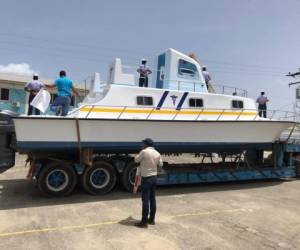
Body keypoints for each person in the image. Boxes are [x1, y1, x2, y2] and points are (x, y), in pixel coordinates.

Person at [133, 138, 163, 228]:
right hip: (154, 178)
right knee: (152, 199)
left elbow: (136, 160)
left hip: (146, 178)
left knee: (145, 200)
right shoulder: (157, 153)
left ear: (146, 144)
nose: (142, 145)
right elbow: (161, 165)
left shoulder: (144, 152)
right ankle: (152, 219)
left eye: (143, 143)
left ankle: (144, 222)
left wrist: (137, 155)